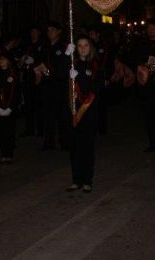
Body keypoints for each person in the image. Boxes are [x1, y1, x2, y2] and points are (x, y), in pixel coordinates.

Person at [67, 35, 102, 193]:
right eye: (79, 45)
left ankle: (87, 180)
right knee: (74, 147)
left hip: (89, 111)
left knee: (87, 147)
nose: (82, 48)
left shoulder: (95, 64)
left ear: (91, 47)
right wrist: (67, 57)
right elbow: (59, 76)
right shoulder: (72, 63)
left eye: (85, 45)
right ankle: (76, 179)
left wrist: (79, 76)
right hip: (74, 111)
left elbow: (96, 86)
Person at [36, 21, 71, 150]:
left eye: (52, 29)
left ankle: (64, 141)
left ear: (58, 31)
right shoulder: (44, 47)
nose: (49, 32)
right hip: (47, 86)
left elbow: (62, 69)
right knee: (48, 114)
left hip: (59, 86)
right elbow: (39, 63)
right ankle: (49, 141)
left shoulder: (63, 47)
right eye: (48, 29)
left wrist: (48, 71)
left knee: (62, 115)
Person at [136, 19, 155, 152]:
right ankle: (153, 143)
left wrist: (153, 68)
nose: (151, 30)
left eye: (153, 27)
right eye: (149, 28)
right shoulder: (143, 44)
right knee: (150, 115)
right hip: (147, 85)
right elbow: (138, 61)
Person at [0, 50, 20, 164]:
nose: (1, 61)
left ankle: (9, 154)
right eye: (0, 59)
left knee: (10, 131)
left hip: (9, 108)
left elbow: (16, 93)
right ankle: (3, 154)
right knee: (1, 131)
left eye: (4, 59)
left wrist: (10, 108)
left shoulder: (13, 74)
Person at [20, 27, 43, 137]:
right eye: (31, 32)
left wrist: (35, 63)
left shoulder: (42, 45)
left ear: (39, 33)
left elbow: (44, 61)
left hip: (37, 78)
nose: (33, 34)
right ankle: (29, 129)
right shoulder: (27, 45)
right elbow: (21, 61)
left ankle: (40, 129)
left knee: (38, 105)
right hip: (27, 78)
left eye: (35, 31)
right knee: (28, 105)